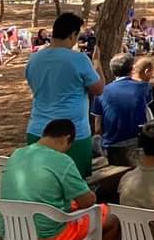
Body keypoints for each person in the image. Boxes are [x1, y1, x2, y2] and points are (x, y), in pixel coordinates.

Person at [0, 119, 119, 240]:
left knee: (62, 210)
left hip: (12, 235)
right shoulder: (61, 160)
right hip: (48, 239)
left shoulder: (17, 154)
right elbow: (87, 202)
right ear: (66, 139)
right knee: (110, 218)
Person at [24, 12, 103, 179]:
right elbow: (98, 89)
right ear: (73, 34)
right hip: (71, 136)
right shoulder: (79, 59)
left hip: (37, 130)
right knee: (76, 185)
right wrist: (97, 63)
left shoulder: (34, 59)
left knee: (41, 183)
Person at [94, 53, 151, 167]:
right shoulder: (144, 87)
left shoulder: (101, 92)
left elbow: (97, 128)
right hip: (138, 142)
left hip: (112, 146)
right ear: (132, 69)